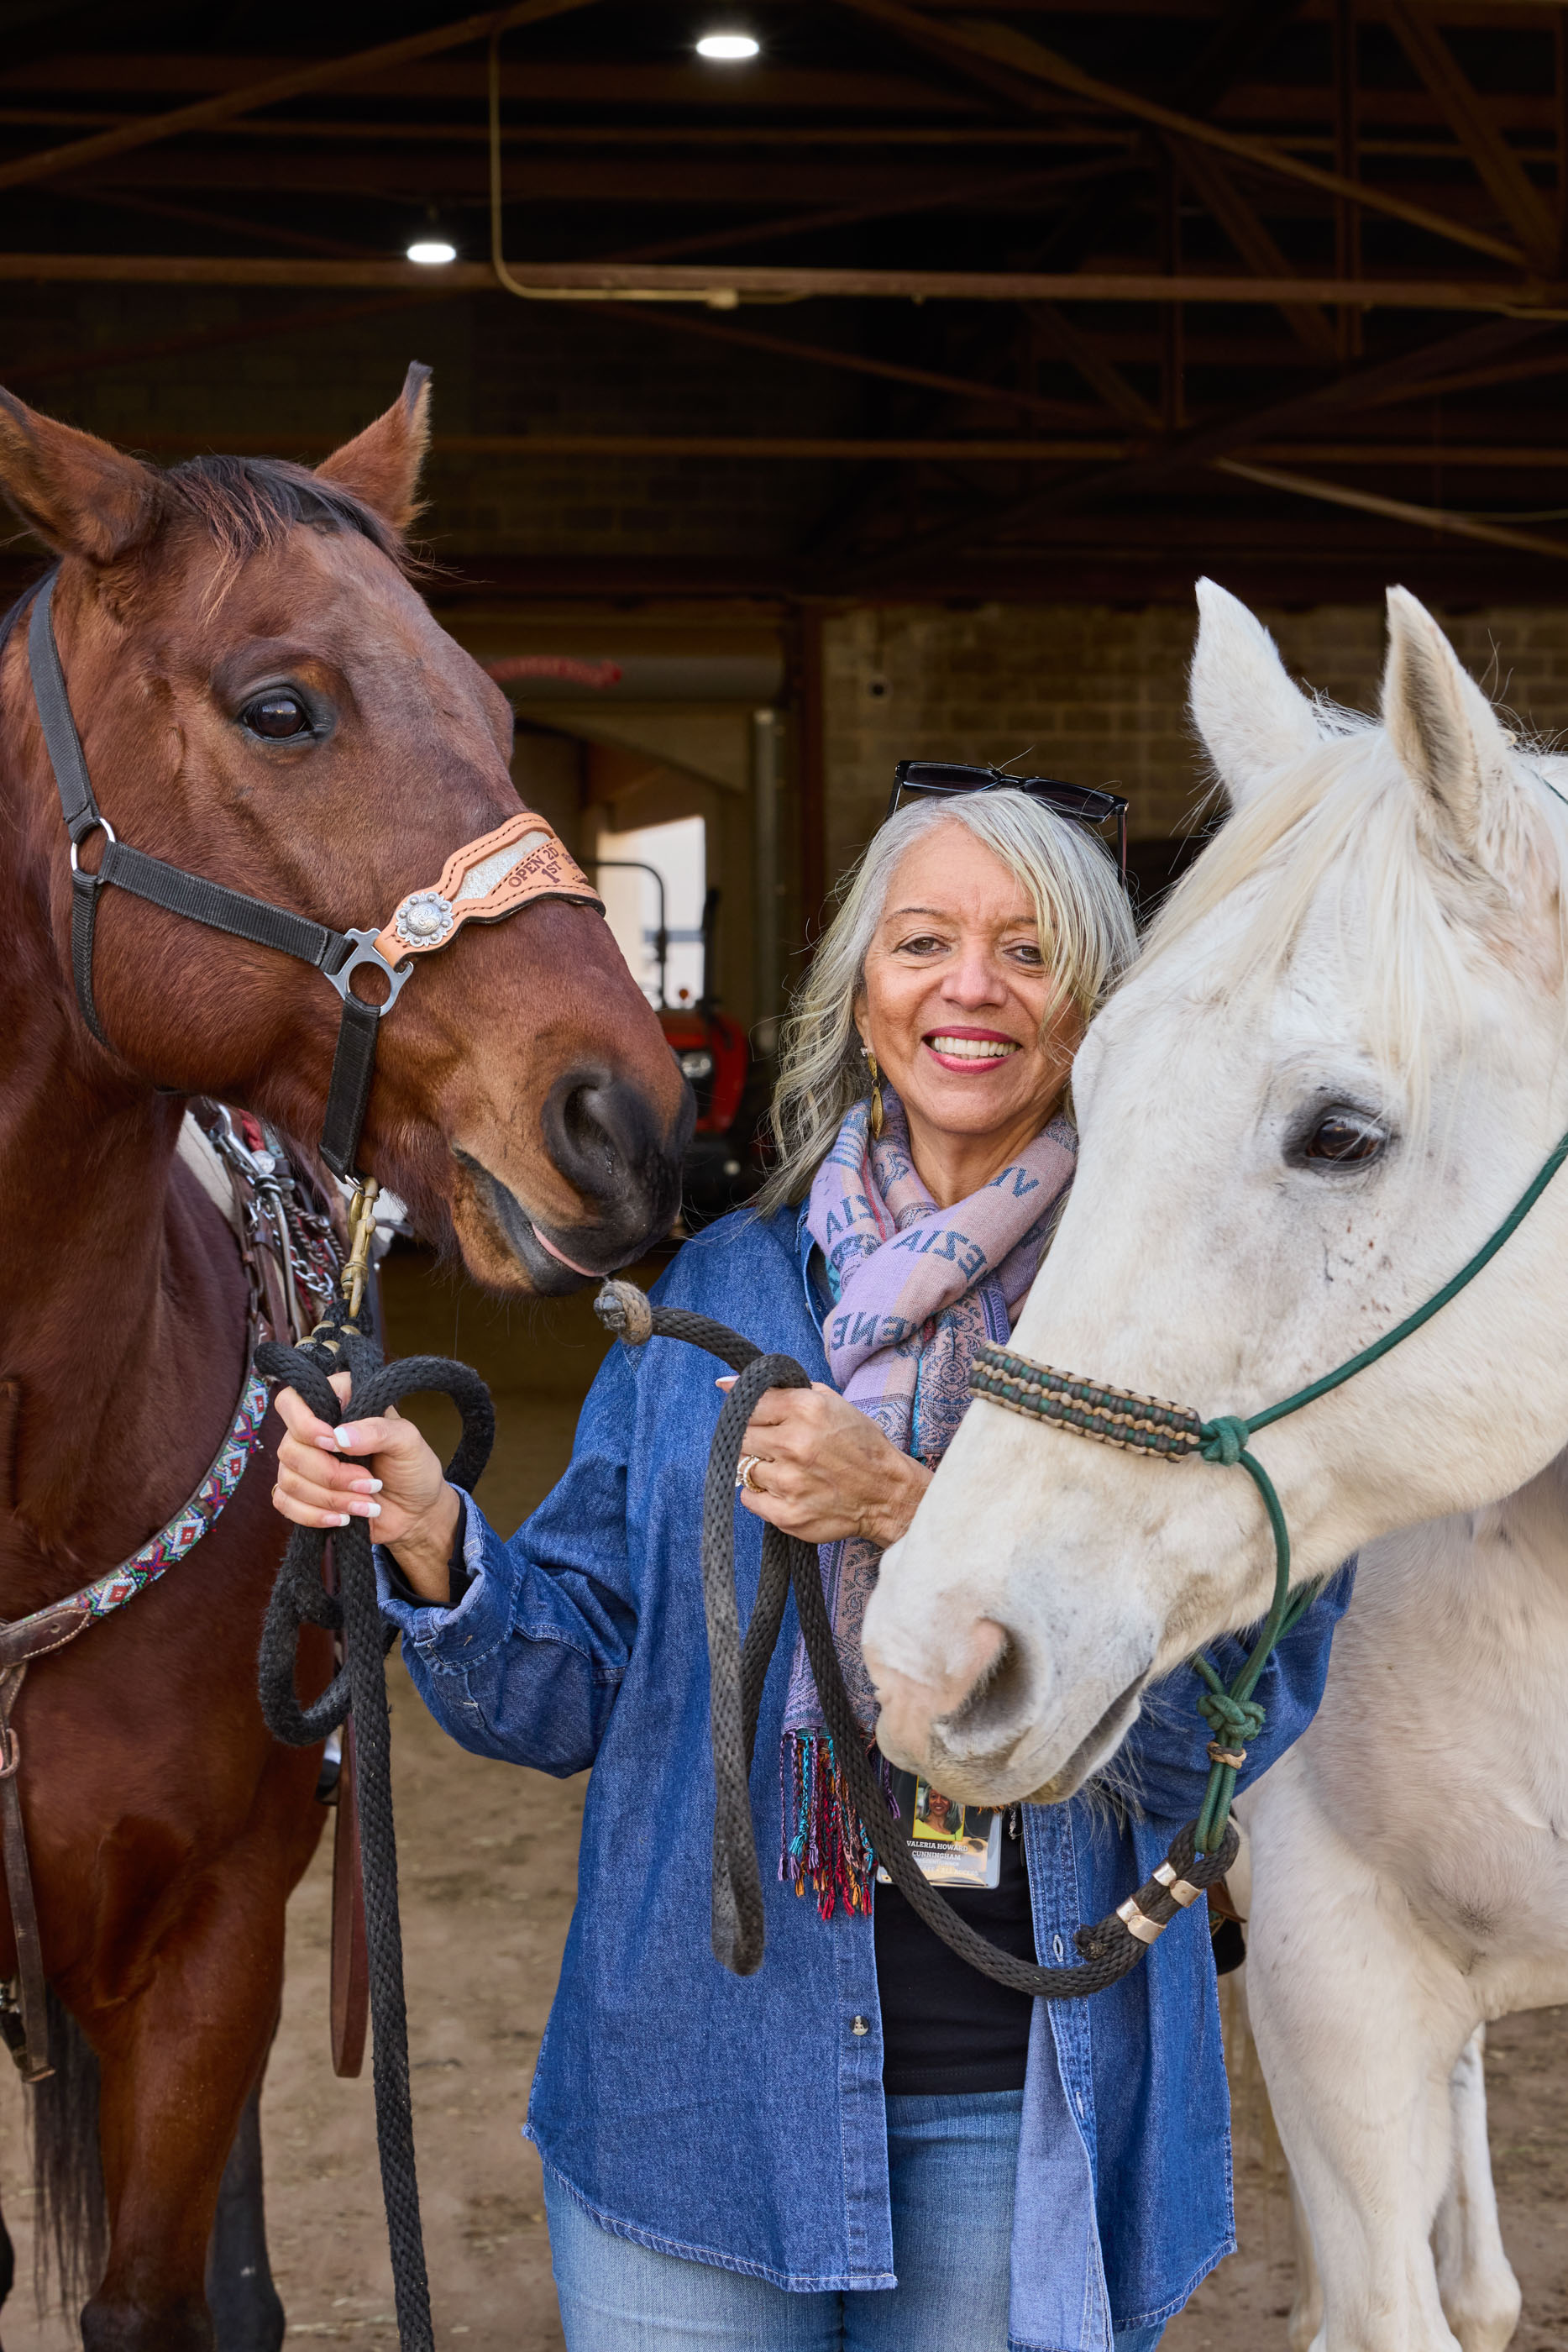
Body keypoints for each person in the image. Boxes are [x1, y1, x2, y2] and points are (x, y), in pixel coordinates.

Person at [271, 775, 1351, 2352]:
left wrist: (913, 1511)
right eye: (923, 941)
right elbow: (566, 1693)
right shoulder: (722, 1289)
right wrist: (438, 1539)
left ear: (1102, 1007)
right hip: (695, 2097)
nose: (968, 988)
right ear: (865, 989)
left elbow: (1215, 1738)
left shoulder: (1197, 1345)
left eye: (1027, 950)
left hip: (1024, 2095)